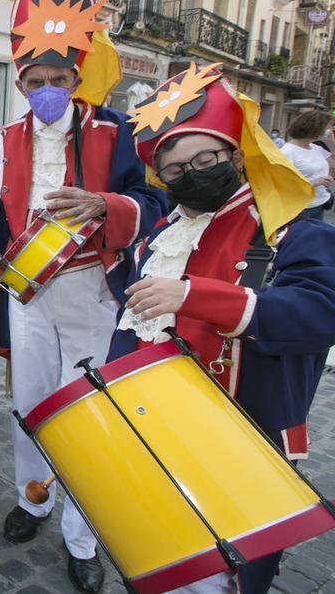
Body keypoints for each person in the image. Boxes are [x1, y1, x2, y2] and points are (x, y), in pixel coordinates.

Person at [113, 63, 335, 593]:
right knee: (164, 557)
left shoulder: (289, 228)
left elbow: (319, 312)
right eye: (175, 170)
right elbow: (133, 325)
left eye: (204, 159)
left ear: (236, 155)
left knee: (223, 574)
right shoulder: (161, 235)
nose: (191, 175)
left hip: (241, 441)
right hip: (159, 429)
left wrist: (197, 296)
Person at [0, 0, 165, 593]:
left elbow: (155, 205)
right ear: (21, 80)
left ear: (78, 77)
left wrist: (106, 206)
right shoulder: (1, 145)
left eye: (60, 79)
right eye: (37, 80)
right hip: (28, 295)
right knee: (29, 405)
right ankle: (34, 499)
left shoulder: (117, 134)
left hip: (93, 290)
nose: (49, 89)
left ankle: (82, 536)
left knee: (86, 411)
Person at [281, 110, 333, 221]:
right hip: (302, 208)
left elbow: (333, 164)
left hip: (320, 203)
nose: (327, 131)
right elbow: (282, 184)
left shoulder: (316, 148)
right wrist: (313, 183)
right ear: (314, 129)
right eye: (326, 128)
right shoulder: (287, 152)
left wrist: (331, 140)